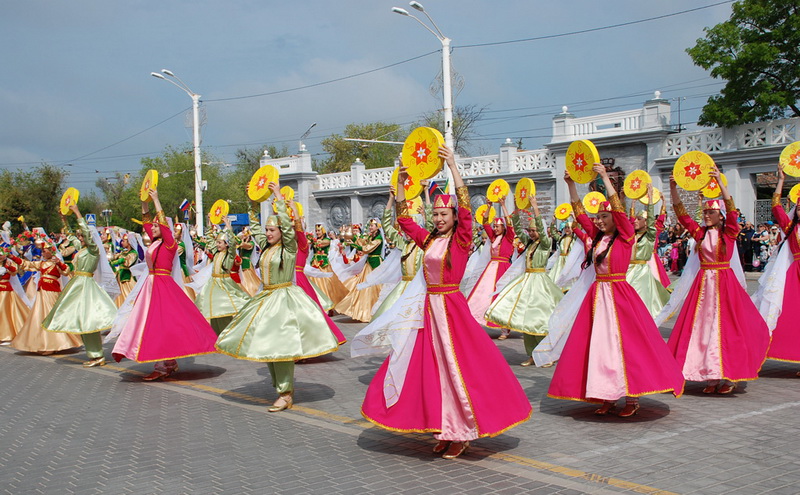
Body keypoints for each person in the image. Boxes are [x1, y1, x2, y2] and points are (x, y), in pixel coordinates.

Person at [356, 145, 531, 460]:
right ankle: (442, 427)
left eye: (443, 214)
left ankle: (461, 431)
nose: (438, 219)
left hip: (451, 311)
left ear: (453, 217)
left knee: (458, 368)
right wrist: (401, 183)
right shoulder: (430, 240)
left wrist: (453, 165)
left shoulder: (461, 240)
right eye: (435, 215)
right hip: (429, 311)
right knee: (429, 370)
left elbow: (465, 209)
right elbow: (405, 221)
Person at [546, 166, 684, 417]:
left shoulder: (625, 237)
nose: (599, 221)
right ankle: (605, 394)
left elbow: (619, 211)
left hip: (620, 296)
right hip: (597, 297)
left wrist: (606, 179)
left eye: (604, 217)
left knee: (627, 346)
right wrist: (570, 185)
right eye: (597, 217)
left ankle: (632, 397)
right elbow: (580, 215)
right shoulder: (598, 237)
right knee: (599, 346)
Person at [215, 182, 339, 412]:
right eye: (267, 230)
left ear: (282, 231)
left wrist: (278, 198)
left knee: (281, 347)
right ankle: (281, 388)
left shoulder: (288, 248)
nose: (268, 233)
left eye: (272, 230)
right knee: (268, 346)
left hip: (284, 299)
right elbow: (254, 228)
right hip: (266, 298)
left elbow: (290, 230)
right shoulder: (266, 247)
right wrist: (253, 201)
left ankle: (286, 392)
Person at [663, 168, 770, 394]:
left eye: (710, 212)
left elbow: (731, 211)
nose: (706, 215)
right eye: (705, 212)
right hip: (703, 285)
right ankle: (710, 374)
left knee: (727, 328)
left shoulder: (729, 233)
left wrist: (721, 184)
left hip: (724, 283)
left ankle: (730, 375)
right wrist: (673, 188)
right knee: (702, 328)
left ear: (720, 216)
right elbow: (682, 215)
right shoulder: (700, 233)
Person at [111, 190, 218, 380]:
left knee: (159, 325)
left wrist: (155, 199)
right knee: (153, 325)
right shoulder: (155, 242)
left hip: (163, 286)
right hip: (151, 286)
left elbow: (161, 223)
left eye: (156, 226)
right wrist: (144, 202)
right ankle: (168, 362)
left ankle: (162, 366)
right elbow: (146, 221)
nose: (152, 228)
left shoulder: (169, 244)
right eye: (152, 226)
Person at [485, 195, 563, 366]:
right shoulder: (529, 243)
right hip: (527, 281)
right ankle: (531, 354)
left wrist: (535, 207)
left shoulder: (545, 243)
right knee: (526, 319)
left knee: (540, 320)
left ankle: (545, 354)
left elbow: (541, 229)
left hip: (540, 282)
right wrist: (515, 208)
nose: (532, 233)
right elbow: (518, 231)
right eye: (531, 230)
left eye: (534, 230)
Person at [43, 204, 118, 367]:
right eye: (80, 236)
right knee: (82, 322)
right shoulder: (82, 249)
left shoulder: (93, 250)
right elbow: (70, 236)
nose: (81, 238)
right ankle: (95, 354)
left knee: (88, 322)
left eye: (83, 236)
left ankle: (97, 355)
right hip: (77, 285)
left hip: (86, 286)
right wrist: (64, 219)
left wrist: (77, 213)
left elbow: (86, 234)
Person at [754, 163, 800, 364]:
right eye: (799, 208)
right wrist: (781, 180)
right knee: (793, 314)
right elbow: (776, 207)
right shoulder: (791, 227)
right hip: (795, 274)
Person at [11, 238, 82, 354]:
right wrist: (12, 257)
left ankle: (58, 342)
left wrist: (59, 263)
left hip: (52, 292)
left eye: (44, 251)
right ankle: (44, 342)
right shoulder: (41, 263)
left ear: (51, 251)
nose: (42, 253)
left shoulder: (56, 263)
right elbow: (27, 264)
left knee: (53, 315)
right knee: (40, 315)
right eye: (42, 251)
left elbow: (66, 271)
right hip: (42, 292)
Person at [466, 197, 515, 338]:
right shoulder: (493, 238)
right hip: (491, 269)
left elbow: (510, 224)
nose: (495, 228)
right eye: (495, 226)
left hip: (503, 269)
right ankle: (478, 320)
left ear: (503, 227)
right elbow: (485, 222)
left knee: (502, 297)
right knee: (482, 295)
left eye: (497, 226)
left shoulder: (508, 238)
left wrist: (503, 205)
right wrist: (488, 206)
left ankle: (504, 328)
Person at [194, 216, 250, 335]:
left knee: (224, 309)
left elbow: (233, 244)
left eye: (220, 243)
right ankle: (216, 334)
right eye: (217, 242)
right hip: (214, 284)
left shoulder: (229, 256)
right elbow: (210, 240)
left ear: (226, 244)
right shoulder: (216, 253)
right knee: (214, 311)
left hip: (224, 284)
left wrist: (229, 228)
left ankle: (227, 334)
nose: (217, 244)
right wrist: (209, 224)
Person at [626, 186, 671, 319]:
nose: (635, 221)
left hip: (642, 269)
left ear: (646, 222)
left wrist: (653, 201)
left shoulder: (650, 235)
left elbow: (656, 221)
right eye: (636, 218)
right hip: (628, 269)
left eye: (639, 219)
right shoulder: (631, 235)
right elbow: (627, 222)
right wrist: (631, 205)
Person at [334, 218, 385, 322]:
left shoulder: (378, 238)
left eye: (372, 225)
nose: (370, 227)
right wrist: (352, 238)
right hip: (368, 263)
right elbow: (361, 243)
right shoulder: (370, 236)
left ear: (377, 227)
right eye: (370, 225)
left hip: (376, 263)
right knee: (365, 288)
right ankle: (365, 311)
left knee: (376, 287)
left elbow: (367, 248)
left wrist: (354, 245)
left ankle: (377, 310)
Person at [0, 246, 30, 345]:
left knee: (3, 311)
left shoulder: (9, 263)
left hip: (5, 291)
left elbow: (14, 272)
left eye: (1, 255)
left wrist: (7, 267)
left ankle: (5, 335)